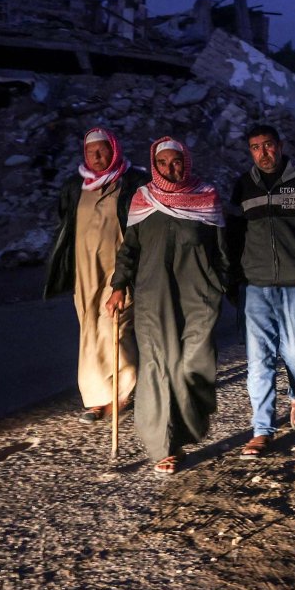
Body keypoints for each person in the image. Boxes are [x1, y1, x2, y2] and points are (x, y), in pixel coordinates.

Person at [106, 137, 229, 475]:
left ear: (186, 161)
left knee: (194, 363)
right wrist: (118, 286)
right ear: (154, 164)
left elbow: (222, 250)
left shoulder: (207, 197)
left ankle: (190, 425)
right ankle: (165, 445)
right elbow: (129, 250)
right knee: (158, 366)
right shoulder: (143, 199)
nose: (171, 168)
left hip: (198, 295)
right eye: (163, 163)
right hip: (153, 295)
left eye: (177, 162)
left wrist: (225, 285)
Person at [227, 123, 295, 457]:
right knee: (259, 360)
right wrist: (233, 280)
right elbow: (232, 238)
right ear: (250, 151)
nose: (264, 153)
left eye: (269, 145)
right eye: (256, 147)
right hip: (256, 285)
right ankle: (262, 430)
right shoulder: (244, 186)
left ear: (280, 145)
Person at [43, 128, 145, 421]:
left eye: (103, 150)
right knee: (89, 330)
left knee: (114, 325)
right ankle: (97, 398)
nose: (98, 157)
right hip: (85, 271)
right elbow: (66, 225)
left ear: (114, 149)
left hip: (121, 270)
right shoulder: (75, 185)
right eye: (91, 152)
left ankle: (122, 392)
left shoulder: (133, 181)